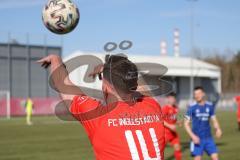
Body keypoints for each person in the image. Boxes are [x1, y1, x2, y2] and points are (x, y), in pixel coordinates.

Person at [37, 54, 165, 160]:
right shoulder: (153, 106)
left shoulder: (97, 116)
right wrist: (110, 71)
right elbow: (139, 86)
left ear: (105, 87)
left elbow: (61, 84)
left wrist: (55, 59)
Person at [184, 86, 222, 160]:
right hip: (197, 138)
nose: (197, 96)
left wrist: (218, 129)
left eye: (199, 93)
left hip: (209, 138)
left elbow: (214, 120)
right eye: (195, 94)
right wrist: (193, 136)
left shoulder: (210, 106)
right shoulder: (191, 108)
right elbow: (186, 124)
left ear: (203, 94)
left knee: (215, 158)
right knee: (197, 158)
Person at [162, 92, 182, 160]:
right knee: (160, 150)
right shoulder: (165, 108)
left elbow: (175, 118)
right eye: (171, 98)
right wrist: (170, 126)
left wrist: (178, 122)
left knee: (177, 148)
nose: (173, 99)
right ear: (168, 99)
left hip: (173, 132)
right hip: (165, 132)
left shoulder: (176, 108)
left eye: (174, 98)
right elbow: (161, 120)